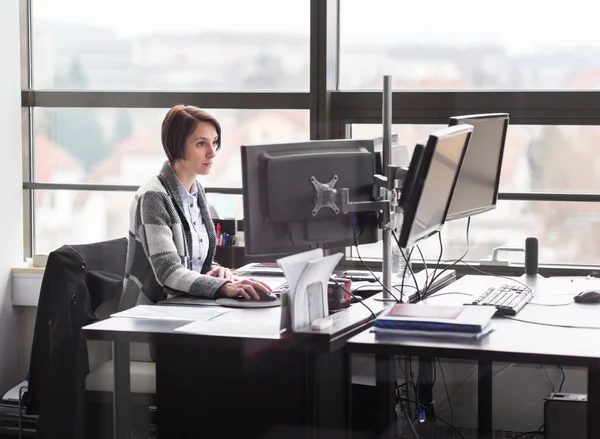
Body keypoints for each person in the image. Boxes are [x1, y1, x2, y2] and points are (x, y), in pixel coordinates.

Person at [119, 105, 272, 319]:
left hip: (188, 306)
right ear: (177, 147)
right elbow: (169, 273)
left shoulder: (196, 191)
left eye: (215, 142)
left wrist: (217, 271)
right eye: (201, 144)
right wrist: (223, 287)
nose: (212, 153)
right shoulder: (154, 197)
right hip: (151, 317)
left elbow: (195, 262)